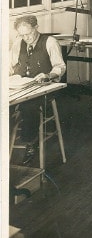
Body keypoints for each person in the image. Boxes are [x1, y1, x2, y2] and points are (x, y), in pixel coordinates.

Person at [9, 15, 66, 163]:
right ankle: (5, 141)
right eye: (22, 35)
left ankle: (30, 143)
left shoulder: (50, 42)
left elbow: (60, 67)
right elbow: (9, 66)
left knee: (29, 107)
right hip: (21, 85)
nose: (26, 38)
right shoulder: (18, 42)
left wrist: (48, 75)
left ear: (36, 27)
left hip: (44, 87)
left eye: (28, 33)